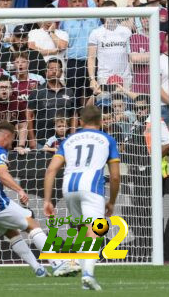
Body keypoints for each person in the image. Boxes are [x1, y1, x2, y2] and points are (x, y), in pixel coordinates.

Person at [0, 121, 74, 277]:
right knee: (32, 223)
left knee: (11, 232)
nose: (12, 144)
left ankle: (39, 269)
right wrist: (20, 190)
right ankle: (58, 263)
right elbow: (2, 174)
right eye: (12, 139)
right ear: (7, 136)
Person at [43, 105, 121, 290]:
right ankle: (88, 274)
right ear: (101, 121)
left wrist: (47, 200)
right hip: (91, 186)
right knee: (96, 228)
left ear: (80, 122)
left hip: (69, 186)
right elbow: (116, 176)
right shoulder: (107, 139)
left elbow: (51, 169)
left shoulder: (69, 139)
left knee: (81, 228)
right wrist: (112, 201)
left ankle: (75, 262)